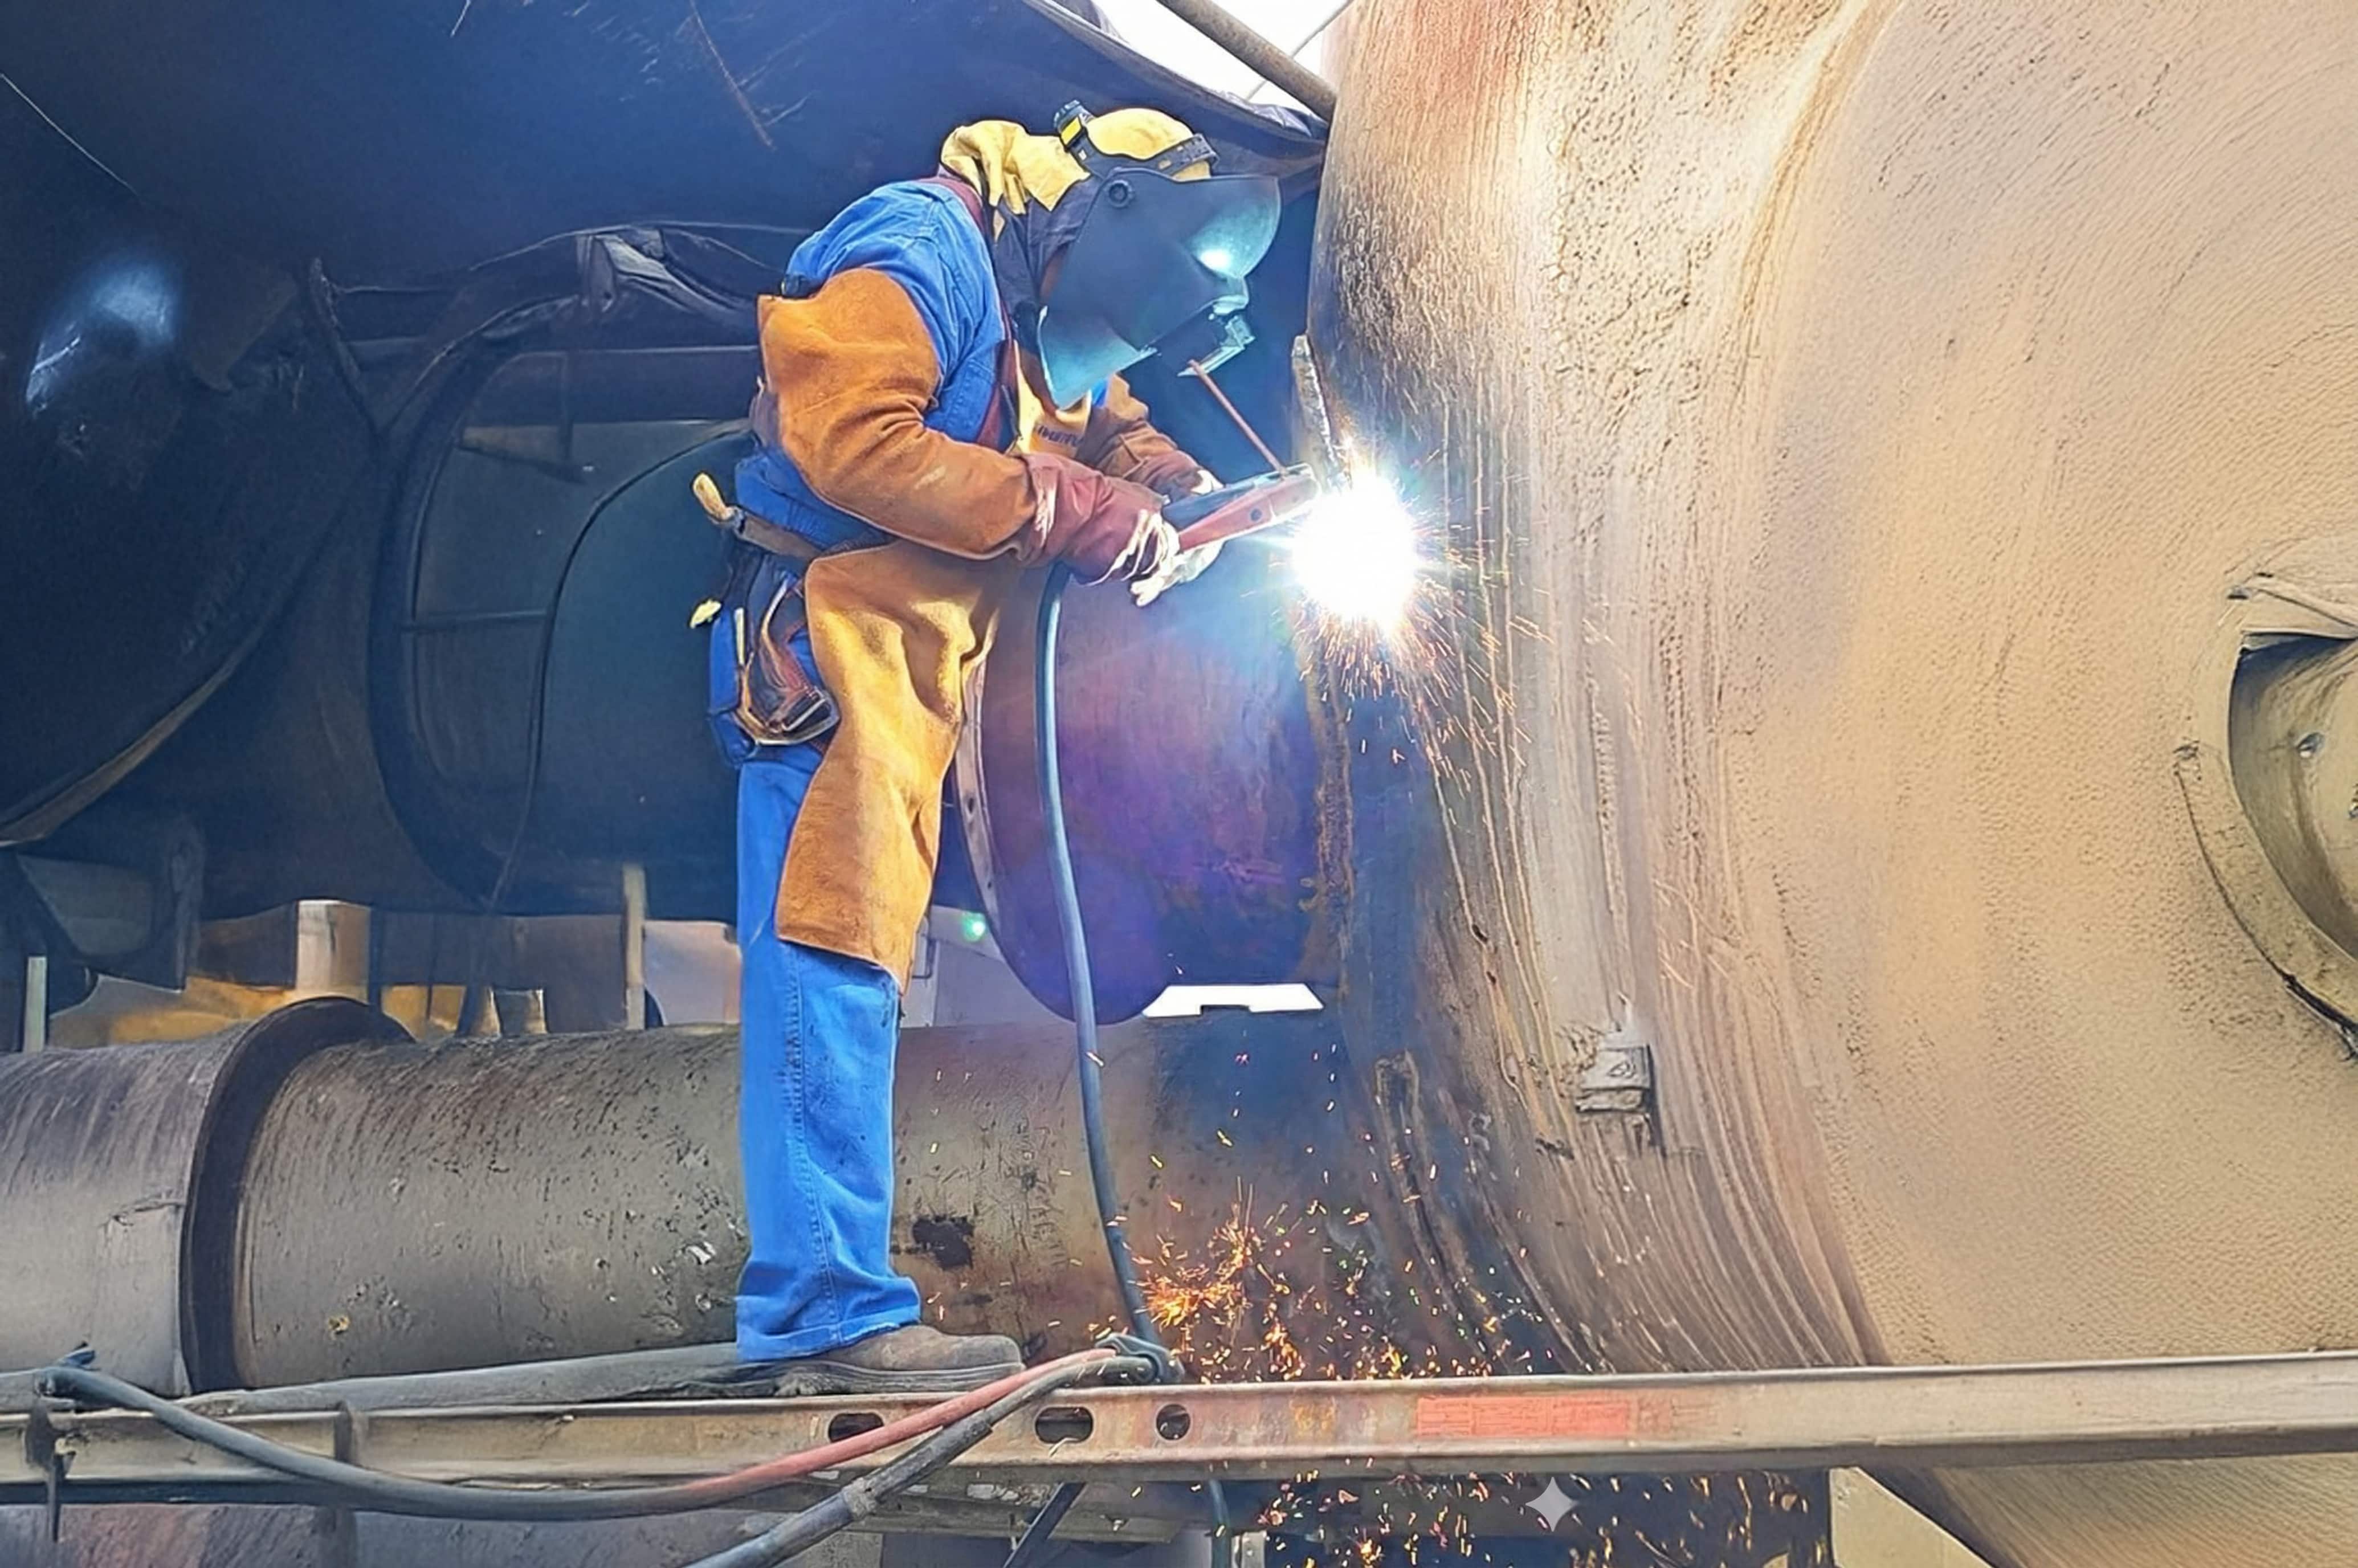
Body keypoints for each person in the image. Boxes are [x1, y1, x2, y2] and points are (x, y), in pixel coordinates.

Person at [705, 104, 1280, 1390]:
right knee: (827, 960)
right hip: (823, 647)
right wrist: (1063, 509)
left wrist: (1177, 490)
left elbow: (1092, 411)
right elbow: (849, 438)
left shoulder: (1043, 286)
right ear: (1091, 218)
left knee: (857, 961)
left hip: (909, 661)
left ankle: (831, 1304)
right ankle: (819, 1320)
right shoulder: (918, 251)